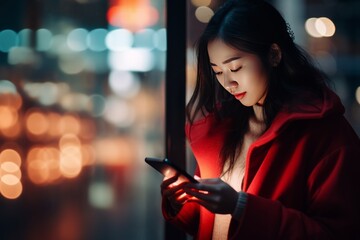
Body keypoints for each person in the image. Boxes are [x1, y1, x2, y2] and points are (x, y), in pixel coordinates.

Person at [160, 0, 360, 239]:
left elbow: (336, 233)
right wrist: (184, 200)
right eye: (217, 72)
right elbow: (213, 226)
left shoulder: (325, 135)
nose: (228, 83)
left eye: (235, 68)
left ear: (274, 54)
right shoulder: (224, 129)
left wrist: (241, 207)